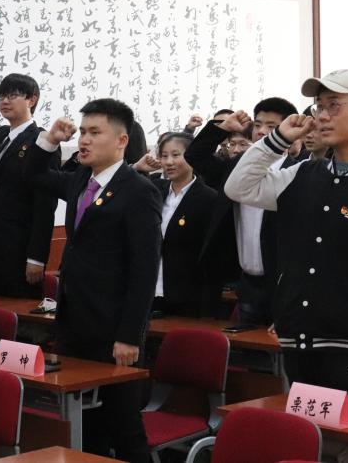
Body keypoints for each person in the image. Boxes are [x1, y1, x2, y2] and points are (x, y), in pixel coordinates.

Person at [225, 70, 348, 402]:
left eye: (334, 105)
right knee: (305, 433)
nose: (322, 116)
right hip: (298, 342)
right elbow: (238, 187)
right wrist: (278, 139)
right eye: (319, 107)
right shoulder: (302, 174)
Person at [21, 98, 160, 463]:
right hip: (75, 322)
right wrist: (49, 140)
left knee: (124, 427)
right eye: (82, 132)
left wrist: (129, 335)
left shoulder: (138, 190)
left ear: (121, 140)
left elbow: (144, 271)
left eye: (94, 133)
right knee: (86, 424)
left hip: (114, 330)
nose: (84, 140)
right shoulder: (82, 179)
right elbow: (32, 175)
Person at [187, 97, 301, 325]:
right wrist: (223, 128)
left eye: (271, 126)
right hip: (245, 282)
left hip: (285, 283)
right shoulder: (237, 166)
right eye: (257, 124)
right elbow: (195, 155)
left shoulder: (297, 172)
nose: (261, 131)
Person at [0, 73, 57, 298]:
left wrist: (36, 257)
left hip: (20, 246)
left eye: (12, 95)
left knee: (15, 306)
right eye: (1, 96)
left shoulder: (43, 140)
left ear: (31, 100)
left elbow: (45, 205)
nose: (4, 101)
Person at [136, 132, 218, 317]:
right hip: (148, 288)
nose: (169, 162)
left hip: (186, 294)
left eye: (175, 155)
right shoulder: (155, 189)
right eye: (164, 156)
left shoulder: (208, 198)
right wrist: (137, 168)